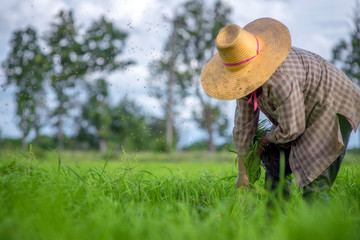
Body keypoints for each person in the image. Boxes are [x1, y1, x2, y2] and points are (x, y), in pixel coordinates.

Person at [200, 17, 360, 200]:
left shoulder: (279, 79)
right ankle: (274, 221)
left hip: (331, 103)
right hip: (297, 114)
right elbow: (243, 128)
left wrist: (263, 142)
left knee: (315, 184)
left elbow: (292, 128)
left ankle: (317, 224)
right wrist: (242, 173)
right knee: (275, 161)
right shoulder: (244, 86)